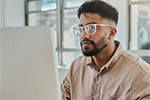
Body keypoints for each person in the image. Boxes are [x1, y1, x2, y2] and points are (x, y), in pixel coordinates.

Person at [61, 0, 150, 99]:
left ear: (111, 33)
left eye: (91, 28)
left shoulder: (140, 74)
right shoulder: (75, 68)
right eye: (81, 28)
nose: (83, 36)